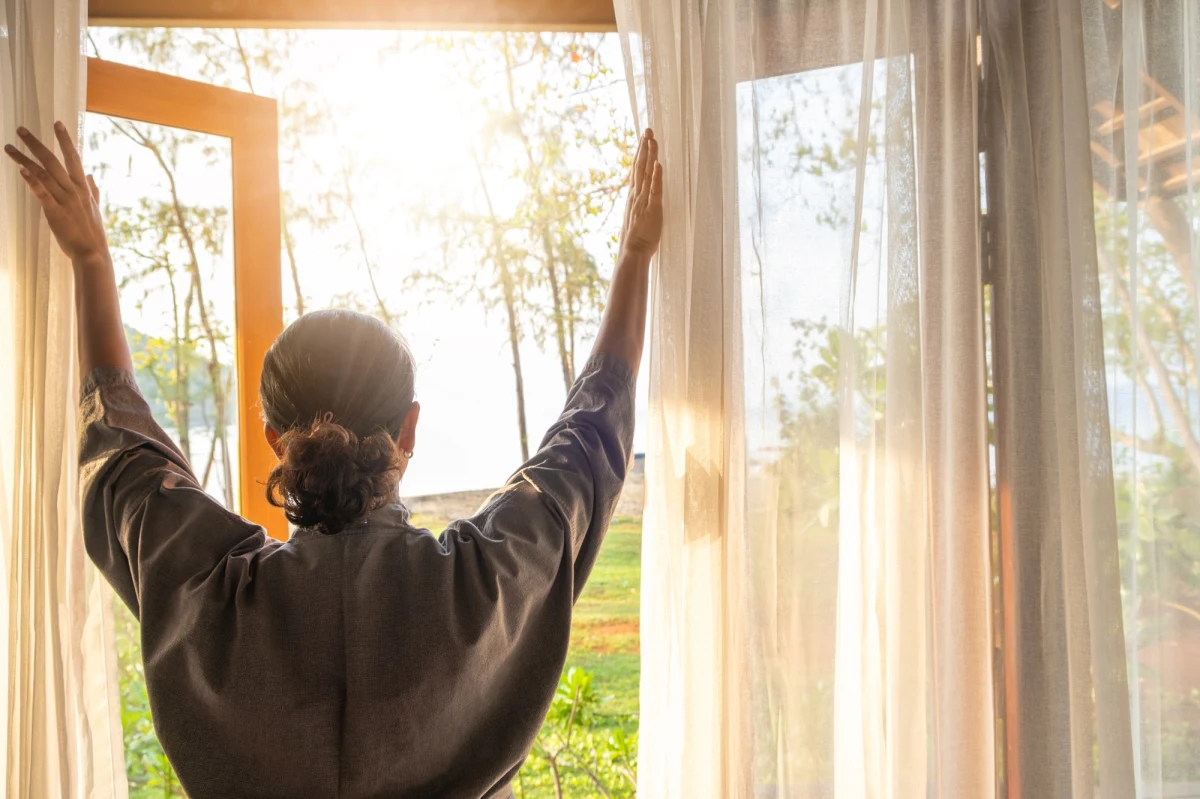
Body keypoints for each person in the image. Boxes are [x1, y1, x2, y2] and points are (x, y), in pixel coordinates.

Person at [5, 122, 662, 798]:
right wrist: (635, 255)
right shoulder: (485, 583)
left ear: (273, 440)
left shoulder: (210, 593)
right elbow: (585, 441)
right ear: (409, 431)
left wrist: (91, 260)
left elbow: (122, 450)